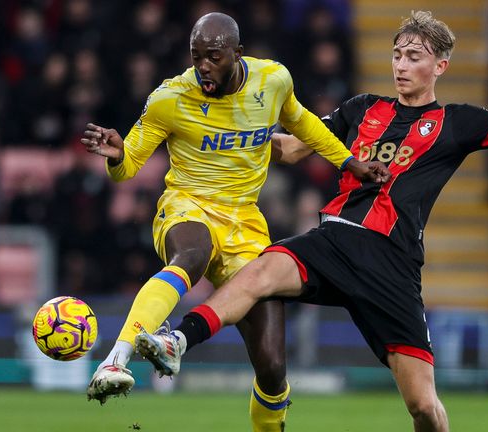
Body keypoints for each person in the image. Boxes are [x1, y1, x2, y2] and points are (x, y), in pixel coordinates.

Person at [138, 10, 488, 432]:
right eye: (397, 55)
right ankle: (178, 341)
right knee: (258, 271)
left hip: (392, 262)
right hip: (335, 239)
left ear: (440, 66)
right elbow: (294, 147)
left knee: (424, 407)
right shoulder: (362, 109)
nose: (401, 65)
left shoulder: (458, 121)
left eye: (414, 57)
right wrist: (231, 131)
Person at [80, 11, 389, 432]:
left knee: (273, 367)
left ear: (237, 54)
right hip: (188, 204)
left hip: (245, 220)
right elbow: (130, 161)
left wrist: (350, 163)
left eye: (213, 57)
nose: (203, 66)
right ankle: (115, 360)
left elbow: (303, 125)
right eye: (196, 57)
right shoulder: (169, 98)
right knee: (191, 255)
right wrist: (117, 157)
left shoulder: (274, 80)